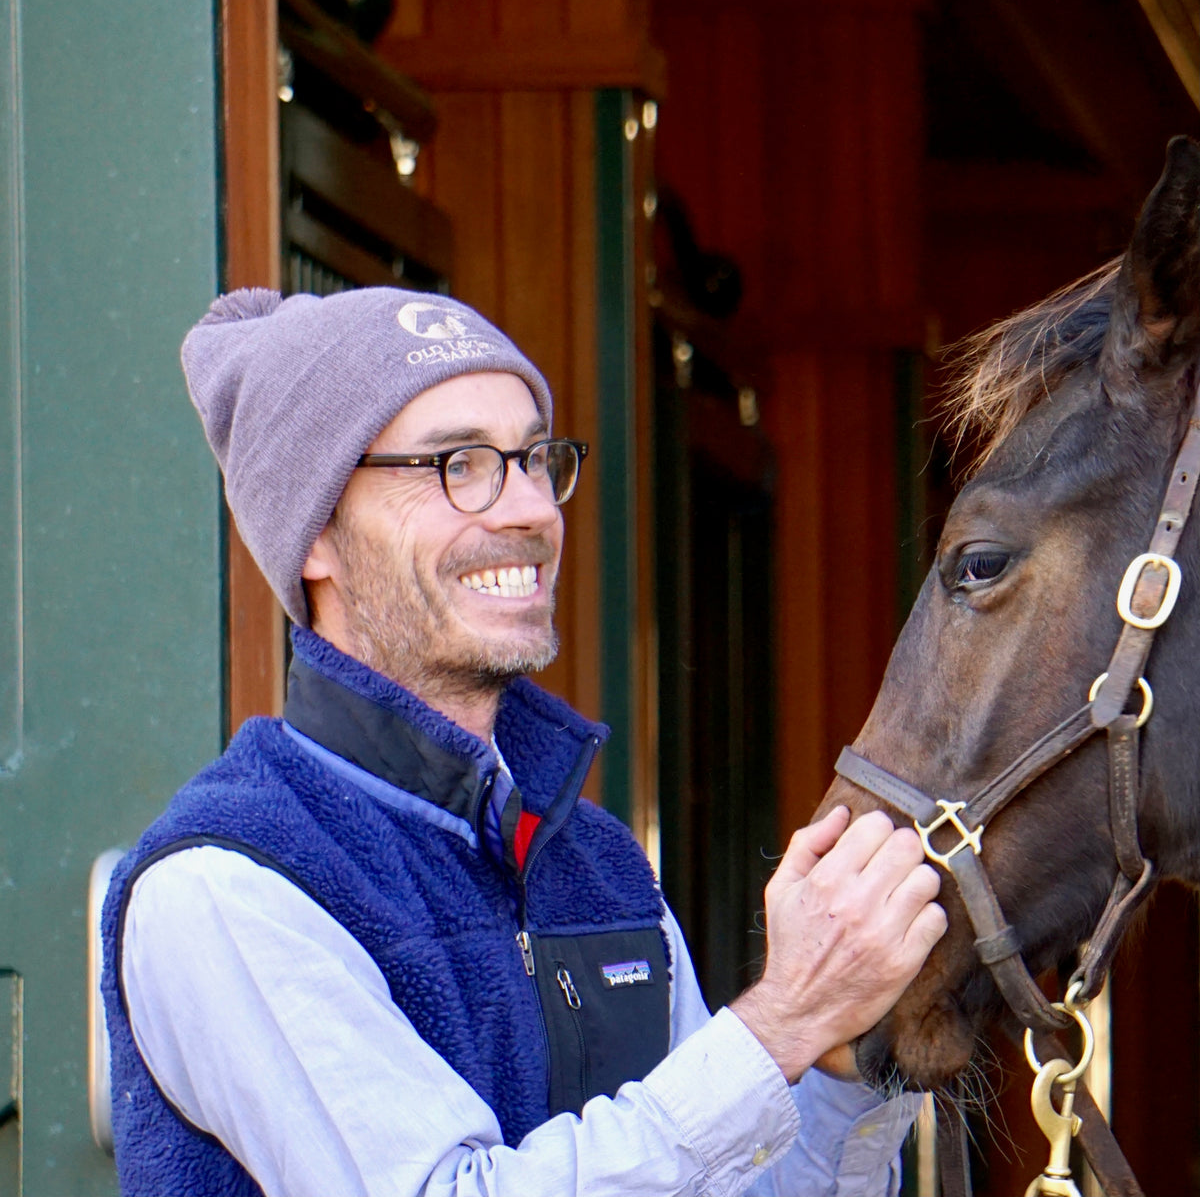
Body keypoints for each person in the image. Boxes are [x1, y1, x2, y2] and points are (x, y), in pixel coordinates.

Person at [101, 287, 946, 1197]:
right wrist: (781, 1020)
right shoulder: (230, 883)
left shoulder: (595, 861)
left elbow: (734, 1183)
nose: (529, 510)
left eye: (534, 458)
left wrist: (853, 1053)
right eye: (460, 463)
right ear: (318, 538)